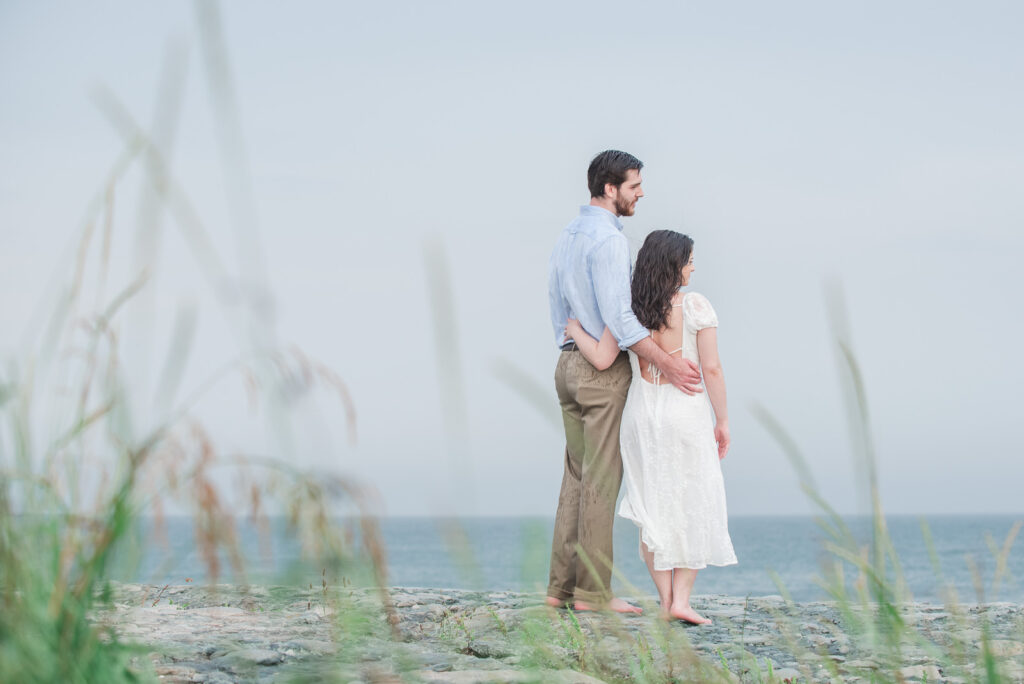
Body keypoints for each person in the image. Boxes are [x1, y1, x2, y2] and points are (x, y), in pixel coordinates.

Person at [546, 151, 703, 614]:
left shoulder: (566, 236)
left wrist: (570, 335)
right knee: (601, 481)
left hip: (567, 365)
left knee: (574, 478)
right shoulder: (611, 242)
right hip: (600, 372)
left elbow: (560, 308)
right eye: (634, 186)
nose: (640, 194)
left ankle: (560, 589)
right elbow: (622, 319)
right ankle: (593, 595)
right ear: (610, 188)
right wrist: (669, 365)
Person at [565, 230, 736, 624]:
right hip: (685, 413)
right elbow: (711, 368)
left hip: (641, 417)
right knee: (693, 499)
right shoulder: (695, 307)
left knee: (651, 505)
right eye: (689, 260)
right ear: (674, 264)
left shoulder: (631, 309)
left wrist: (574, 331)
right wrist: (723, 419)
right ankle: (683, 601)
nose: (693, 267)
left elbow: (605, 358)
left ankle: (664, 601)